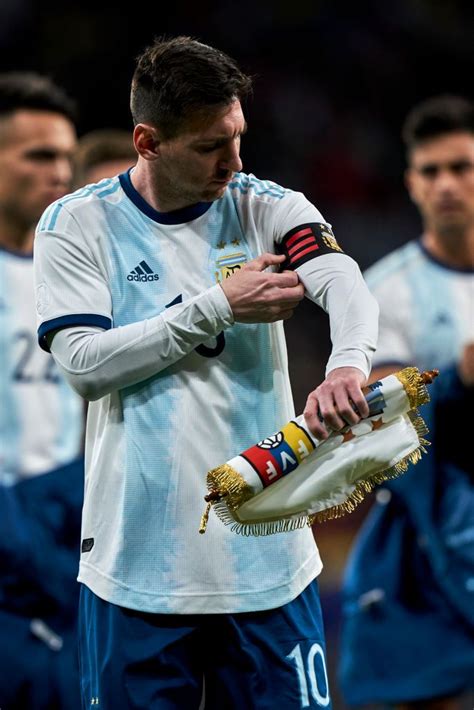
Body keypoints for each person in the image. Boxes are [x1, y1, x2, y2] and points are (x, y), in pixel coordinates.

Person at [34, 36, 379, 709]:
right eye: (209, 146)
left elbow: (343, 282)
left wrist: (347, 364)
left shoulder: (266, 206)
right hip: (135, 568)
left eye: (238, 136)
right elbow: (83, 365)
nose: (234, 160)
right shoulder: (76, 225)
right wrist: (220, 304)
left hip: (270, 564)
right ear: (147, 141)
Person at [338, 95, 474, 710]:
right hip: (432, 540)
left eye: (461, 167)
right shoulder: (383, 291)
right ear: (411, 184)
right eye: (431, 171)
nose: (446, 184)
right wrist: (458, 379)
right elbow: (381, 414)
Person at [0, 73, 84, 708]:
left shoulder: (80, 277)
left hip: (66, 524)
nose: (60, 171)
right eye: (38, 155)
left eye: (65, 156)